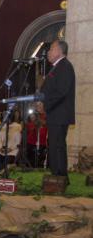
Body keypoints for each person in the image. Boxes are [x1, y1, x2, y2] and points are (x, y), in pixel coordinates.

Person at [40, 40, 75, 178]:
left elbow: (62, 91)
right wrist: (40, 101)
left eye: (51, 49)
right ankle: (57, 175)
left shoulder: (64, 66)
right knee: (55, 145)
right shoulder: (56, 67)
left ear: (60, 51)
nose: (48, 52)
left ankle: (59, 176)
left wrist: (45, 104)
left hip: (60, 114)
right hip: (55, 113)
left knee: (57, 145)